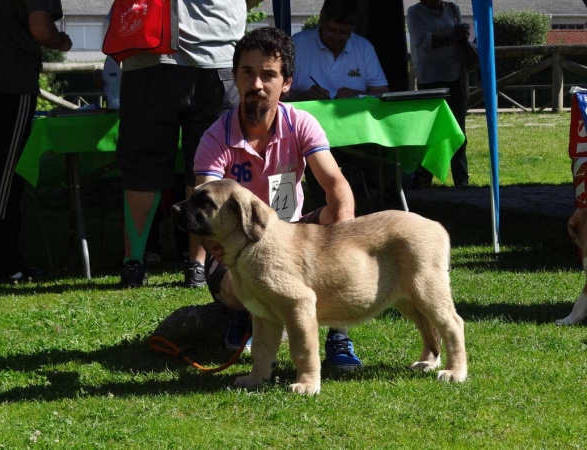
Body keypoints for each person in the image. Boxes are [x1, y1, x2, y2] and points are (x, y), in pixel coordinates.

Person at [191, 26, 363, 371]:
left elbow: (337, 186)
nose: (257, 84)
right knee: (236, 286)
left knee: (334, 214)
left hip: (292, 236)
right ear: (236, 78)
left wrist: (341, 245)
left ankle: (338, 332)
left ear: (286, 83)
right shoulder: (214, 137)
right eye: (247, 73)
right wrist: (223, 254)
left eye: (268, 74)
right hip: (236, 245)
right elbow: (200, 209)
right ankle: (246, 313)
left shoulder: (302, 123)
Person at [117, 0, 262, 288]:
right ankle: (198, 265)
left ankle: (133, 263)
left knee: (143, 165)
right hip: (215, 50)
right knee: (207, 163)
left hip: (147, 55)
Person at [0, 0, 72, 283]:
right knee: (6, 176)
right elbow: (40, 27)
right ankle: (4, 264)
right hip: (8, 81)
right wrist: (60, 41)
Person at [286, 0, 390, 208]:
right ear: (321, 21)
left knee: (375, 157)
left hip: (356, 131)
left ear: (352, 28)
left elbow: (383, 93)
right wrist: (303, 95)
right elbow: (278, 92)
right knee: (316, 156)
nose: (336, 37)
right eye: (331, 30)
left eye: (343, 33)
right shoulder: (297, 44)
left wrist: (357, 95)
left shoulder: (363, 47)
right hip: (303, 132)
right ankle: (323, 207)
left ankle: (364, 203)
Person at [407, 0, 470, 189]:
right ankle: (424, 178)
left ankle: (462, 179)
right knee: (430, 131)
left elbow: (461, 43)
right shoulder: (414, 12)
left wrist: (463, 35)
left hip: (456, 77)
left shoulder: (453, 9)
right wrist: (453, 37)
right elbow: (422, 41)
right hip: (430, 79)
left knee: (458, 130)